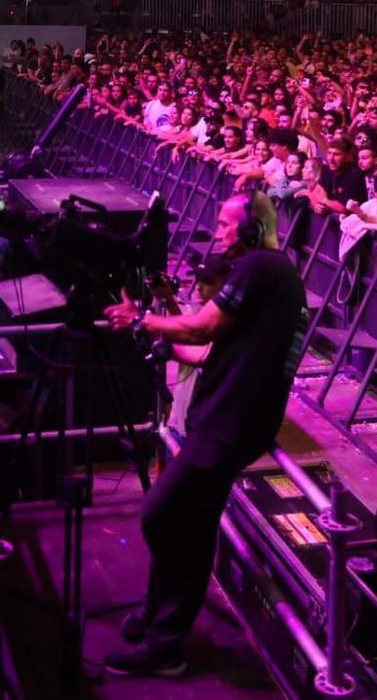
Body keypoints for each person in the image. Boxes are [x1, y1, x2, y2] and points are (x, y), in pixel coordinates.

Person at [102, 197, 308, 677]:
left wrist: (140, 321)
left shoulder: (259, 266)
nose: (217, 233)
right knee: (187, 527)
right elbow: (204, 350)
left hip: (229, 425)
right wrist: (156, 326)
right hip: (230, 422)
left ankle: (165, 644)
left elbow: (202, 328)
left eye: (224, 224)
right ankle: (158, 623)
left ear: (254, 230)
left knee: (162, 518)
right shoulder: (275, 275)